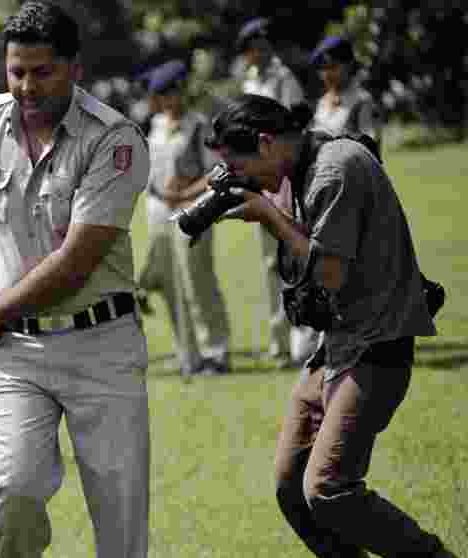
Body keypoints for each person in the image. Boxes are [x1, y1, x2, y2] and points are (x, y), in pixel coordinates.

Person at [208, 94, 468, 558]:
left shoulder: (334, 169)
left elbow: (327, 274)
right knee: (290, 480)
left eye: (239, 167)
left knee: (328, 484)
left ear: (266, 143)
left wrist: (269, 217)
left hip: (378, 343)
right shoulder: (304, 164)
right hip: (339, 344)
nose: (238, 179)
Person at [0, 1, 153, 558]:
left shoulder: (115, 139)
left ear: (74, 67)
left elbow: (78, 256)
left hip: (101, 342)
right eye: (16, 71)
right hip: (17, 352)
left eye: (42, 72)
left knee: (119, 503)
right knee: (12, 484)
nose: (27, 86)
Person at [137, 59, 231, 376]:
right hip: (159, 213)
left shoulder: (198, 126)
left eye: (168, 92)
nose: (164, 100)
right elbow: (149, 171)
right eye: (160, 94)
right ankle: (188, 354)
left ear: (180, 91)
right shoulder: (156, 126)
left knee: (198, 280)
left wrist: (185, 192)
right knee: (172, 286)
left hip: (193, 211)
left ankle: (215, 352)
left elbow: (216, 171)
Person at [236, 17, 314, 366]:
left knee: (296, 254)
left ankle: (306, 334)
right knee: (271, 263)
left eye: (264, 44)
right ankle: (279, 340)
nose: (260, 50)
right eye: (255, 46)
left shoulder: (285, 80)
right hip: (259, 179)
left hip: (283, 177)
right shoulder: (250, 80)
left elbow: (295, 127)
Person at [310, 36, 384, 146]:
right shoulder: (322, 103)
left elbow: (371, 150)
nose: (327, 74)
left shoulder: (362, 102)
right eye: (323, 68)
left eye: (333, 66)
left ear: (349, 65)